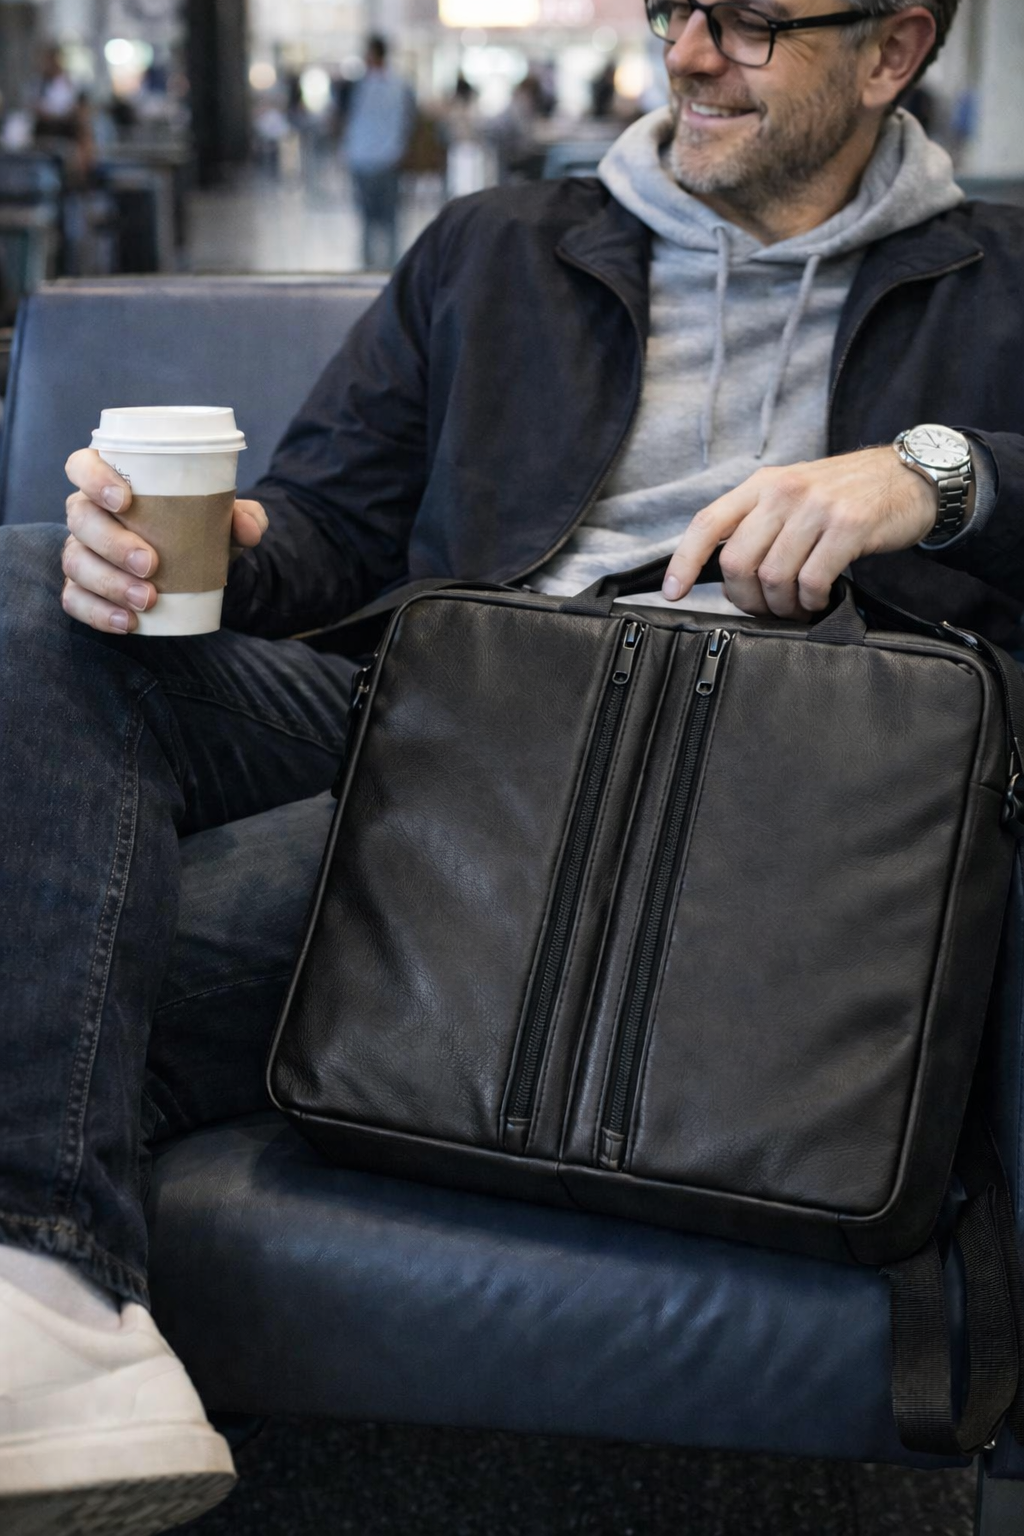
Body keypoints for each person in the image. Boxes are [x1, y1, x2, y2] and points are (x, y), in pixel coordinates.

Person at [2, 1, 1021, 1530]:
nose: (686, 56)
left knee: (92, 941)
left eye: (750, 26)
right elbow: (327, 523)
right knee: (27, 578)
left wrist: (932, 476)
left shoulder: (992, 287)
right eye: (679, 8)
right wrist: (212, 550)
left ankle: (48, 1277)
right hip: (435, 720)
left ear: (889, 53)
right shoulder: (501, 244)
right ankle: (51, 1292)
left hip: (745, 806)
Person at [341, 34, 416, 268]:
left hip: (366, 156)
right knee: (387, 217)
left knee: (370, 216)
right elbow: (409, 120)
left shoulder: (359, 85)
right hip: (387, 156)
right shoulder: (400, 84)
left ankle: (370, 264)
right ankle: (388, 266)